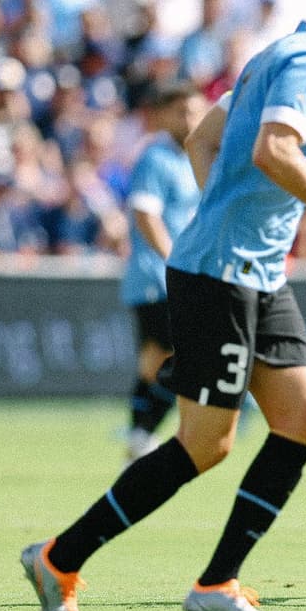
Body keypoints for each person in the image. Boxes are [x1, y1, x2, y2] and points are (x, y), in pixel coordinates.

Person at [20, 0, 306, 611]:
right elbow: (273, 151)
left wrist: (229, 214)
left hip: (253, 270)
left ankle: (216, 583)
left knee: (304, 419)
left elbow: (204, 138)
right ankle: (60, 558)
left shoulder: (276, 54)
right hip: (221, 274)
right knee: (205, 444)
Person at [118, 80, 204, 465]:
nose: (189, 118)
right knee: (189, 356)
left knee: (154, 359)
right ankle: (146, 433)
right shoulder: (155, 157)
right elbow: (145, 215)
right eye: (181, 111)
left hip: (178, 276)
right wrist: (175, 260)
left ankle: (139, 437)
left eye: (194, 110)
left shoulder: (195, 157)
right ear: (164, 115)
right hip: (156, 277)